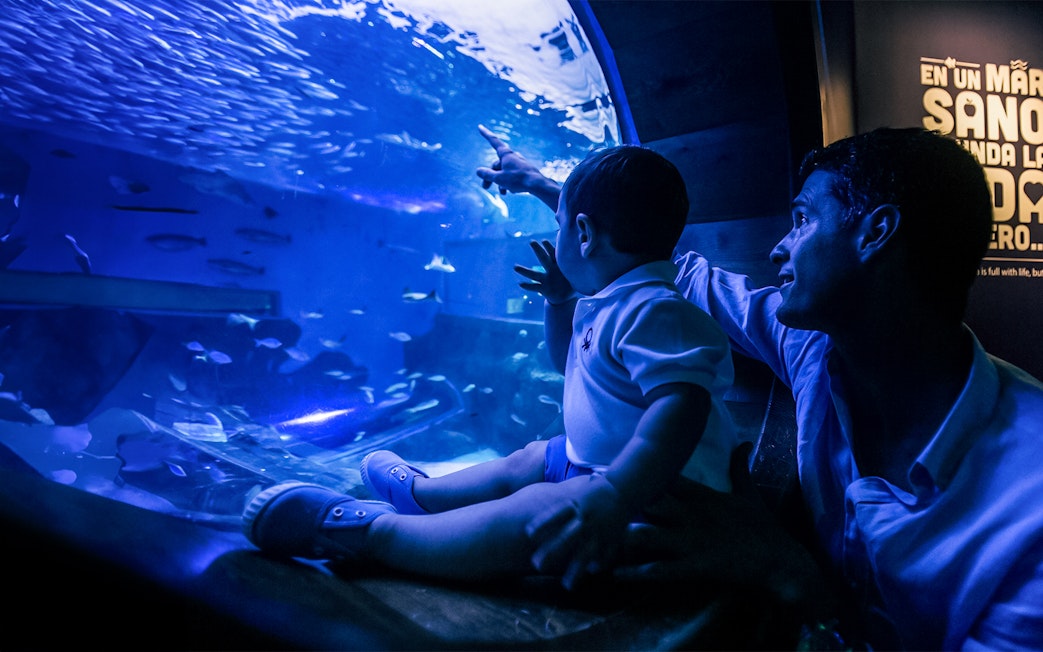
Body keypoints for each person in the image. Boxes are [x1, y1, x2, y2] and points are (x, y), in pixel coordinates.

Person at [477, 124, 1043, 650]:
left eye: (802, 220)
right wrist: (548, 189)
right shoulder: (816, 349)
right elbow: (664, 262)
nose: (780, 247)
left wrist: (784, 569)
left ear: (875, 233)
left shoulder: (1030, 495)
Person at [242, 141, 742, 593]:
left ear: (583, 234)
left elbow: (682, 404)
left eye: (560, 223)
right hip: (598, 466)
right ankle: (424, 494)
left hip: (657, 502)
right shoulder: (613, 302)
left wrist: (615, 494)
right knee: (528, 460)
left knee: (532, 513)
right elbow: (567, 364)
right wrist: (558, 302)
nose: (558, 232)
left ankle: (375, 535)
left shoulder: (658, 310)